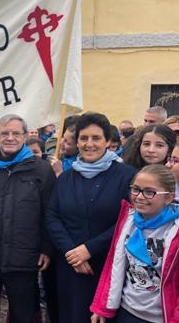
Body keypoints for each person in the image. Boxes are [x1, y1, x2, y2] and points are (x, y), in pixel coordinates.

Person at [46, 112, 136, 323]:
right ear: (76, 142)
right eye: (84, 138)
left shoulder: (126, 176)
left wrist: (89, 249)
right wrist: (71, 251)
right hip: (70, 265)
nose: (89, 144)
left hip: (107, 265)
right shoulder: (66, 178)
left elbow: (128, 220)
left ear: (107, 141)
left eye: (96, 138)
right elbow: (52, 216)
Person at [0, 114, 55, 323]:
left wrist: (46, 248)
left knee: (23, 314)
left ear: (25, 136)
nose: (10, 138)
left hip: (24, 255)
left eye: (16, 133)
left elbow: (49, 212)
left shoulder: (41, 169)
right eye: (4, 133)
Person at [90, 164, 179, 323]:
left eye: (149, 192)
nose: (139, 197)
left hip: (160, 317)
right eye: (136, 189)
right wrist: (102, 306)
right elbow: (115, 264)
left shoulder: (176, 231)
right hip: (126, 311)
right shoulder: (129, 220)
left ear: (168, 197)